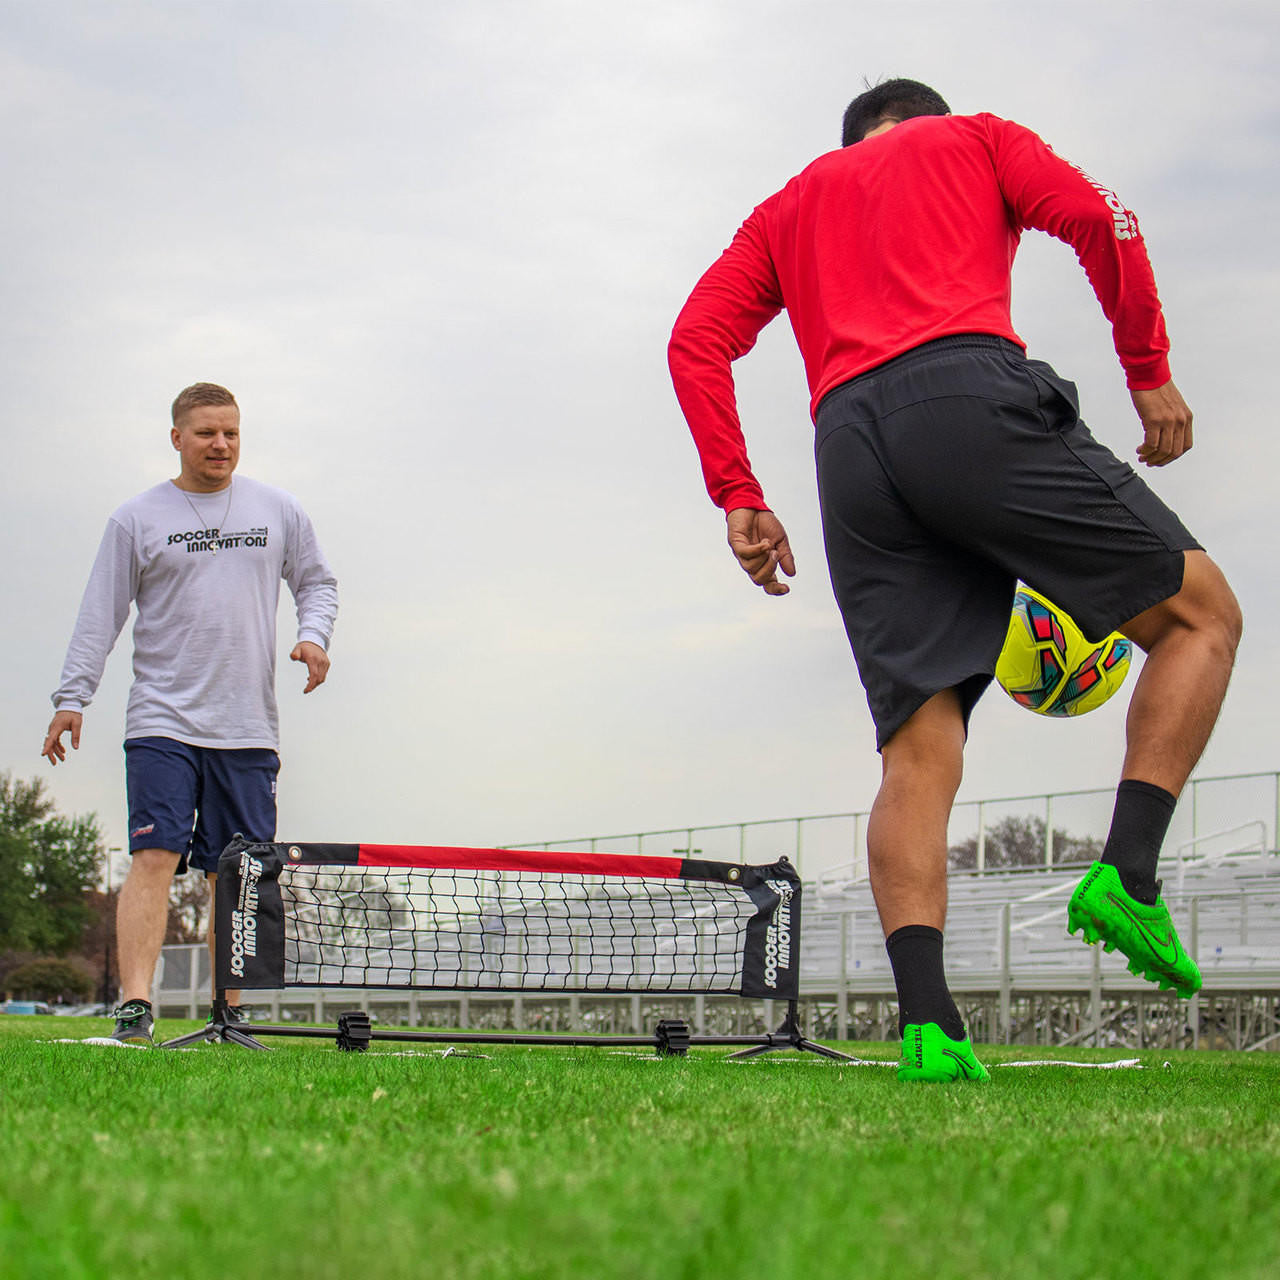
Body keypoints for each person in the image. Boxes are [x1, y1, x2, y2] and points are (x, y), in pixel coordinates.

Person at [668, 80, 1241, 1081]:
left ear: (847, 142)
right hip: (963, 393)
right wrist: (1143, 361)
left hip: (846, 446)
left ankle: (930, 1029)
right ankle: (1127, 875)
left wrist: (737, 491)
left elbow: (695, 339)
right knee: (1200, 616)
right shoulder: (972, 140)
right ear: (924, 121)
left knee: (915, 749)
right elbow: (1104, 219)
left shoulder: (787, 206)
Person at [42, 382, 339, 1045]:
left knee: (237, 871)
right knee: (155, 854)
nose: (221, 444)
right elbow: (100, 615)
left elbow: (317, 581)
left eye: (231, 432)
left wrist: (314, 635)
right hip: (161, 721)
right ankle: (136, 1008)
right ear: (177, 437)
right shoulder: (137, 519)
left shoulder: (278, 509)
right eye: (207, 433)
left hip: (247, 727)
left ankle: (228, 1012)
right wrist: (72, 698)